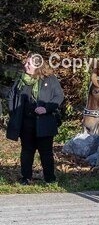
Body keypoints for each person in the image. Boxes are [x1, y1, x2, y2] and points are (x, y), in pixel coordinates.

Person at [6, 53, 65, 185]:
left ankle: (50, 179)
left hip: (44, 122)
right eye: (26, 63)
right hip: (26, 123)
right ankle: (26, 178)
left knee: (46, 152)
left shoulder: (50, 79)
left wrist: (46, 108)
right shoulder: (21, 80)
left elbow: (59, 96)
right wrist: (14, 113)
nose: (25, 65)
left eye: (29, 63)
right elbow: (11, 97)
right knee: (27, 151)